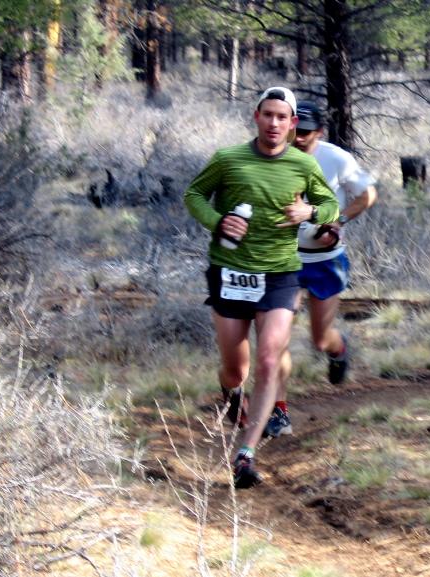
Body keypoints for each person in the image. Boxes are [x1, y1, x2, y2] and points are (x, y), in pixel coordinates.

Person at [183, 87, 339, 488]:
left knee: (270, 358)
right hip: (231, 270)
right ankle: (231, 392)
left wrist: (312, 212)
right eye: (267, 115)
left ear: (291, 124)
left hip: (281, 275)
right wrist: (217, 221)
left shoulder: (303, 165)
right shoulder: (227, 159)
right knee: (238, 368)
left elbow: (330, 205)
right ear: (256, 117)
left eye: (281, 117)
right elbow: (194, 194)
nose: (274, 123)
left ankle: (246, 453)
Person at [264, 100, 378, 439]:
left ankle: (338, 348)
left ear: (320, 132)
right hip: (282, 259)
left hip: (325, 260)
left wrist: (339, 221)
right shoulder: (272, 156)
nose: (299, 138)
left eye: (307, 133)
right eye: (296, 132)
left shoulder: (336, 158)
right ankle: (278, 411)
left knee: (318, 337)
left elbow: (367, 195)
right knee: (275, 340)